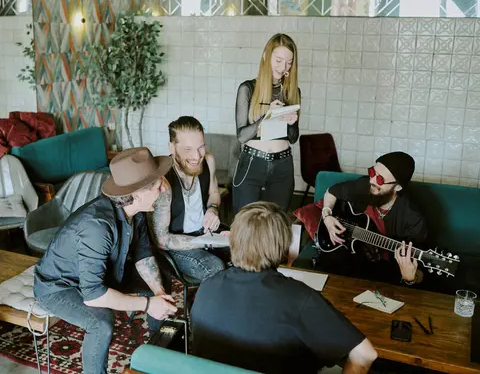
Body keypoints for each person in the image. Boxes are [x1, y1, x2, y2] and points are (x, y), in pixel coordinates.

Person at [34, 147, 178, 374]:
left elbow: (143, 255)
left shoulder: (135, 210)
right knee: (100, 323)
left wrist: (158, 294)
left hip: (106, 272)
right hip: (59, 286)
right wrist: (149, 305)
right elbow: (93, 295)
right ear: (138, 192)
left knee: (161, 281)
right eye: (158, 185)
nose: (162, 189)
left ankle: (156, 356)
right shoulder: (97, 226)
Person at [191, 202, 377, 374]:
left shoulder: (207, 286)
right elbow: (365, 354)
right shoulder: (299, 298)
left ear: (233, 240)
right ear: (284, 244)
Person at [318, 151, 427, 286]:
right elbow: (331, 191)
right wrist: (327, 216)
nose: (372, 180)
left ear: (398, 187)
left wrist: (410, 278)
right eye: (372, 172)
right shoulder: (366, 185)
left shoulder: (413, 219)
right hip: (351, 256)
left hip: (380, 269)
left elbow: (420, 270)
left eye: (381, 179)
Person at [149, 116, 230, 281]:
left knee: (251, 251)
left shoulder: (208, 160)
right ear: (172, 147)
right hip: (177, 245)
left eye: (201, 147)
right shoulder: (163, 181)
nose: (196, 156)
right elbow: (161, 240)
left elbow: (214, 192)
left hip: (207, 233)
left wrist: (212, 209)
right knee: (215, 268)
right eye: (188, 149)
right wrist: (207, 242)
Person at [233, 33, 301, 213]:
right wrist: (267, 116)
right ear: (266, 56)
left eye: (289, 62)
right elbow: (242, 135)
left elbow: (293, 138)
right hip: (253, 162)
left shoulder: (292, 91)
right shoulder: (247, 88)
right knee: (245, 222)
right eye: (278, 60)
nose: (283, 67)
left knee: (276, 225)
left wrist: (292, 124)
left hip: (283, 165)